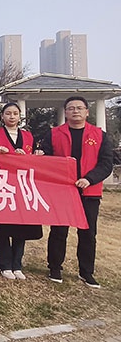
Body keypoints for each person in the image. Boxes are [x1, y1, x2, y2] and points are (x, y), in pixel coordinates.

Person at [40, 96, 113, 288]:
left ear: (87, 112)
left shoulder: (99, 135)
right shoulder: (54, 134)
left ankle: (86, 272)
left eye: (79, 108)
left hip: (89, 191)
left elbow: (106, 163)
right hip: (62, 191)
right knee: (59, 231)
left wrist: (89, 179)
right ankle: (55, 268)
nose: (75, 111)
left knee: (88, 233)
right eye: (71, 108)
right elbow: (46, 160)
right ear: (65, 112)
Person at [0, 103, 43, 280]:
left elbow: (34, 160)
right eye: (8, 113)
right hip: (2, 184)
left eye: (15, 114)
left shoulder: (28, 136)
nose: (12, 117)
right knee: (4, 227)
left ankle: (17, 264)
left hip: (22, 185)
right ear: (2, 116)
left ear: (20, 117)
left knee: (22, 226)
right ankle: (4, 265)